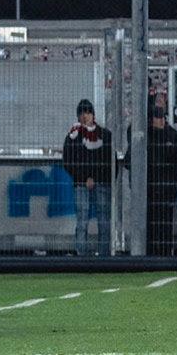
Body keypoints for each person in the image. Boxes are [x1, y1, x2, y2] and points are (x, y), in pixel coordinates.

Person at [62, 97, 114, 256]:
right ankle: (81, 254)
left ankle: (104, 253)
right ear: (78, 117)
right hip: (82, 184)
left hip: (101, 183)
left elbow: (109, 160)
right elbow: (69, 161)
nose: (85, 116)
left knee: (103, 222)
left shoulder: (105, 135)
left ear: (93, 115)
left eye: (88, 113)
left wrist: (97, 179)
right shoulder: (73, 136)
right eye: (82, 113)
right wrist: (84, 178)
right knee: (83, 221)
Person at [146, 99, 177, 256]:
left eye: (163, 118)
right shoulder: (144, 136)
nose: (161, 121)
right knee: (150, 222)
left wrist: (175, 175)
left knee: (166, 222)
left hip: (167, 187)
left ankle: (165, 252)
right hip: (149, 188)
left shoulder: (171, 134)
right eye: (158, 118)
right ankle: (150, 252)